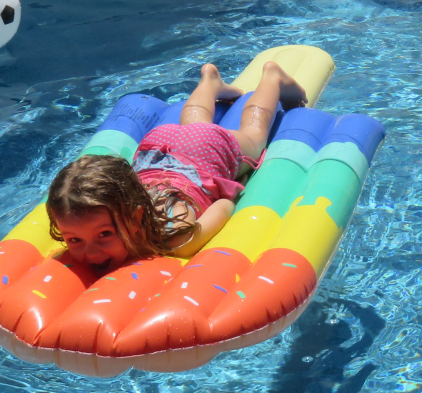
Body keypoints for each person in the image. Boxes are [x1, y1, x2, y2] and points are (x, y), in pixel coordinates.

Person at [45, 62, 306, 282]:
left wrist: (234, 188)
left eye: (104, 235)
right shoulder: (116, 206)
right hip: (157, 147)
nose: (90, 253)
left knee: (254, 133)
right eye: (75, 240)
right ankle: (210, 80)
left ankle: (273, 77)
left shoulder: (176, 233)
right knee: (193, 121)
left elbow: (225, 205)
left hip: (206, 151)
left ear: (136, 217)